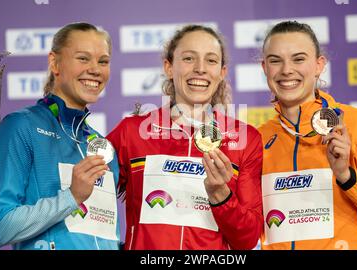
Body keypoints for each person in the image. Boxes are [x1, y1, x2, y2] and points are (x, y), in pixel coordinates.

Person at [106, 24, 263, 250]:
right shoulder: (131, 132)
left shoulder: (245, 139)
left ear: (222, 73)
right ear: (168, 67)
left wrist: (220, 194)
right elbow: (91, 199)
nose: (200, 68)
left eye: (211, 60)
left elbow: (247, 239)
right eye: (189, 58)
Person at [258, 21, 357, 250]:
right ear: (265, 68)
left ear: (319, 65)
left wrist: (346, 176)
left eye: (299, 59)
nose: (286, 70)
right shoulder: (258, 138)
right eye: (275, 60)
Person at [0, 22, 120, 250]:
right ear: (54, 63)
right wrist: (71, 197)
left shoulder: (100, 145)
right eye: (83, 58)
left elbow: (100, 235)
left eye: (103, 61)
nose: (95, 69)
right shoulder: (19, 127)